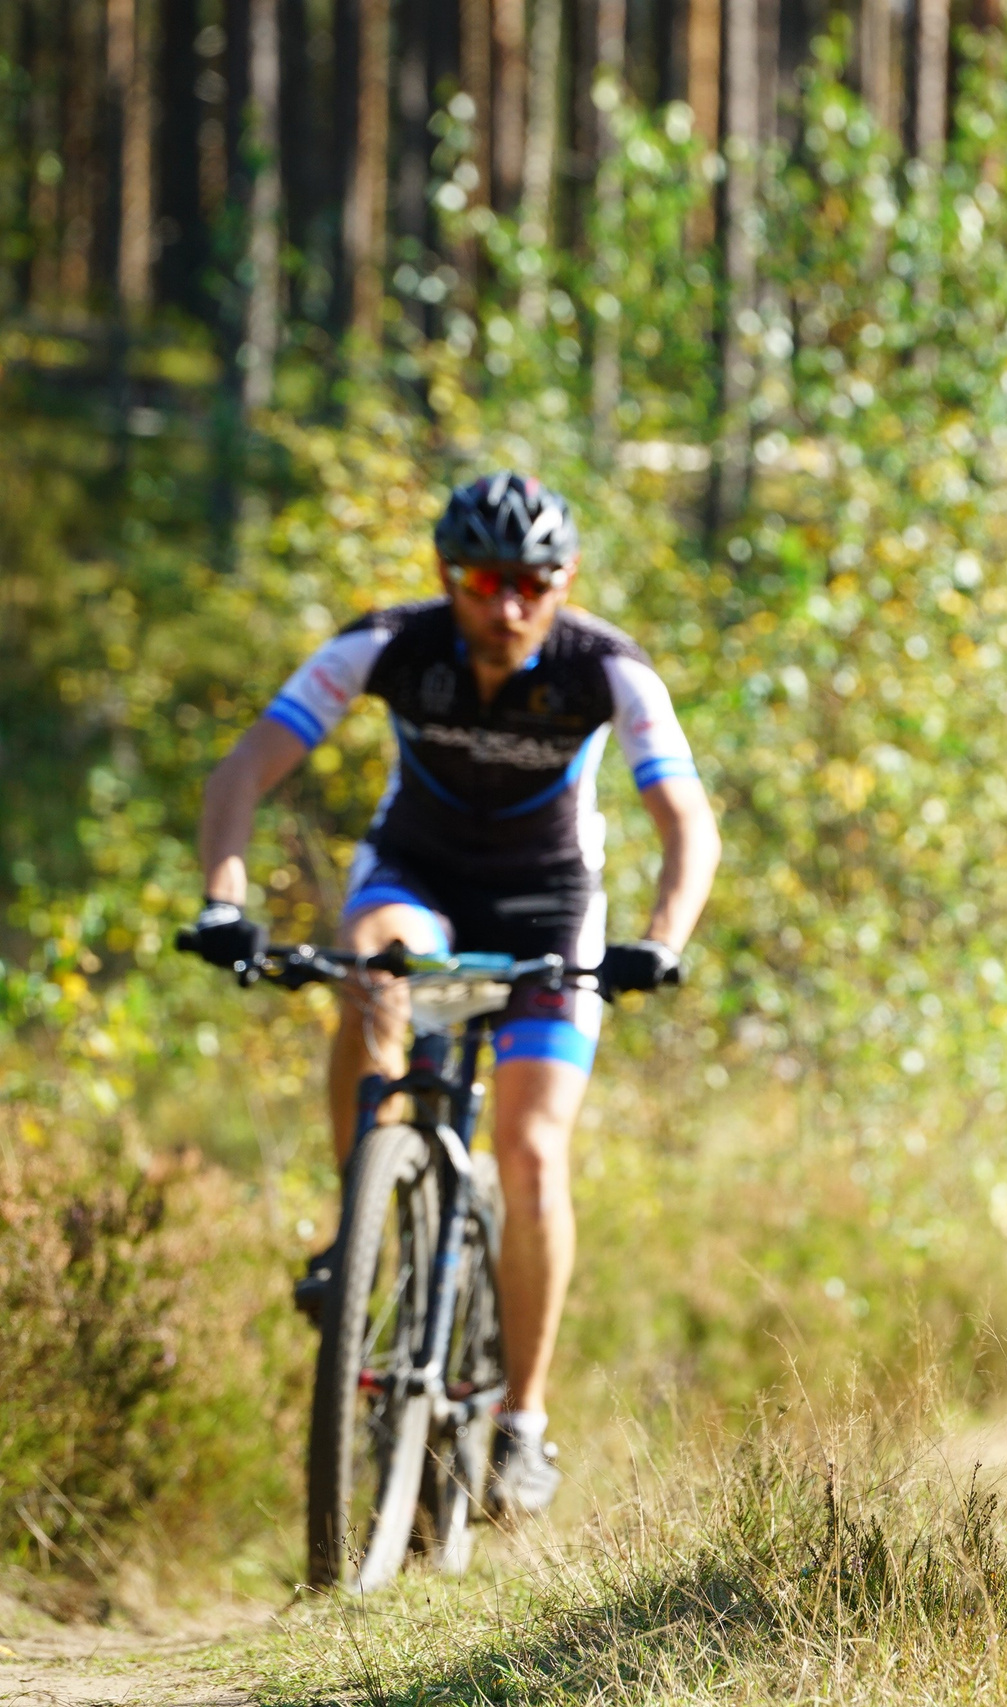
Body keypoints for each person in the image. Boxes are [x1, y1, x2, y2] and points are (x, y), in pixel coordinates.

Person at [188, 473, 721, 1520]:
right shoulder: (390, 644)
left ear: (563, 583)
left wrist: (659, 941)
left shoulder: (605, 667)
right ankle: (362, 1222)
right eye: (485, 582)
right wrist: (222, 901)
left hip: (548, 906)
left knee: (528, 1152)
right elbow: (244, 769)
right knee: (369, 967)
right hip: (418, 881)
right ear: (447, 577)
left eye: (533, 583)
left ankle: (522, 1419)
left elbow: (686, 824)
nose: (508, 605)